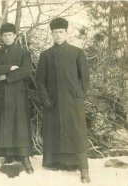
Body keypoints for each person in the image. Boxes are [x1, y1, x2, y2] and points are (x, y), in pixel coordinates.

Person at [36, 17, 91, 183]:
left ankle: (83, 167)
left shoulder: (77, 52)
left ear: (66, 33)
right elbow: (40, 80)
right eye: (55, 32)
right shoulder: (45, 55)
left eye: (61, 32)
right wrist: (45, 99)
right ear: (51, 34)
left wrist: (79, 96)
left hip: (73, 102)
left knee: (76, 132)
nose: (58, 35)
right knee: (55, 132)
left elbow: (85, 78)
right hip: (52, 103)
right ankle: (58, 162)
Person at [0, 23, 34, 174]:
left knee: (19, 124)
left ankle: (24, 157)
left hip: (17, 94)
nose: (7, 37)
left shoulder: (23, 53)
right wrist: (9, 68)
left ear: (15, 35)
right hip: (1, 94)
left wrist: (6, 77)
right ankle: (8, 154)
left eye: (10, 35)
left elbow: (26, 70)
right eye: (4, 35)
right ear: (1, 37)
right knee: (4, 123)